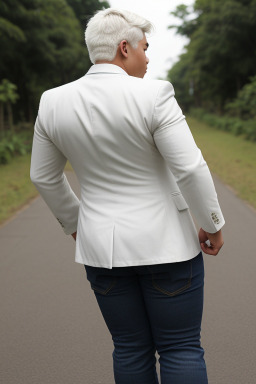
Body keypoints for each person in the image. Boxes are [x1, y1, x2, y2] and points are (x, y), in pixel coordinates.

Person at [30, 8, 224, 384]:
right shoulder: (155, 93)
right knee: (180, 347)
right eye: (144, 48)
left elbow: (43, 175)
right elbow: (190, 168)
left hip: (102, 250)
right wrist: (212, 224)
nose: (148, 58)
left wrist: (76, 224)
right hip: (167, 245)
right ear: (124, 48)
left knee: (130, 348)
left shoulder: (52, 101)